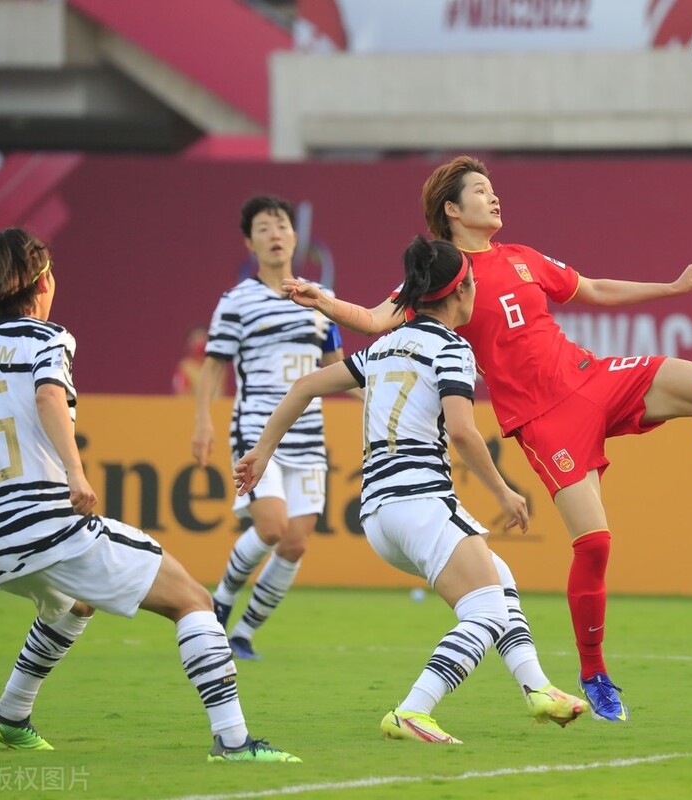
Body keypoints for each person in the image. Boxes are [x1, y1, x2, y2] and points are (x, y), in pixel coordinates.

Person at [283, 155, 692, 723]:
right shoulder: (440, 276)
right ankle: (595, 674)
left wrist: (673, 287)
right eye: (481, 191)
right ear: (452, 210)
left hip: (592, 378)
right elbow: (378, 321)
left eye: (493, 188)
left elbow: (594, 288)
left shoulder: (522, 257)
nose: (495, 198)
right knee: (596, 544)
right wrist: (325, 302)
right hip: (543, 420)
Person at [235, 236, 588, 743]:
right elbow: (463, 431)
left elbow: (305, 386)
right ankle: (413, 710)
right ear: (459, 292)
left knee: (498, 577)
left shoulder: (386, 344)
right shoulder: (452, 347)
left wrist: (262, 450)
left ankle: (537, 689)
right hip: (419, 502)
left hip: (379, 513)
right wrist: (504, 491)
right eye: (472, 283)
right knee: (486, 610)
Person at [0, 228, 298, 762]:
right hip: (48, 524)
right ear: (41, 283)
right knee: (194, 601)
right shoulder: (48, 338)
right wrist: (76, 472)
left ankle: (10, 713)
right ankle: (234, 741)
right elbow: (47, 396)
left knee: (76, 602)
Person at [192, 195, 353, 660]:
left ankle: (242, 633)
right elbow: (213, 366)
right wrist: (202, 420)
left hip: (308, 438)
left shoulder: (318, 301)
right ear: (250, 241)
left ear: (295, 237)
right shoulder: (236, 301)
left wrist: (377, 399)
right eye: (264, 227)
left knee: (296, 542)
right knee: (271, 526)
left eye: (282, 225)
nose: (276, 233)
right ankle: (219, 604)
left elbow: (337, 369)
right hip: (256, 434)